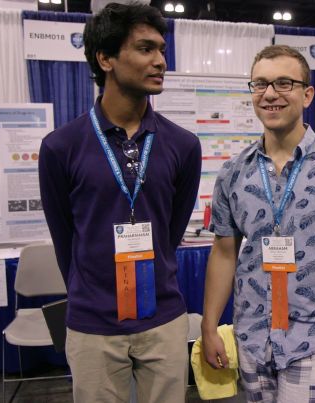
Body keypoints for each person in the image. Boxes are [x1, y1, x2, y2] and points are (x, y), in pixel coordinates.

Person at [200, 45, 315, 401]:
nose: (270, 94)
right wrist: (209, 327)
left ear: (308, 94)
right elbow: (223, 254)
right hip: (252, 336)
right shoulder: (233, 173)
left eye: (284, 83)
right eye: (260, 84)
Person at [38, 3, 201, 402]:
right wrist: (88, 293)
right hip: (92, 323)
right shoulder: (60, 147)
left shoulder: (183, 145)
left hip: (163, 318)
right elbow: (65, 239)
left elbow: (170, 232)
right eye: (145, 49)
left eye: (162, 50)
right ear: (105, 58)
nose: (160, 61)